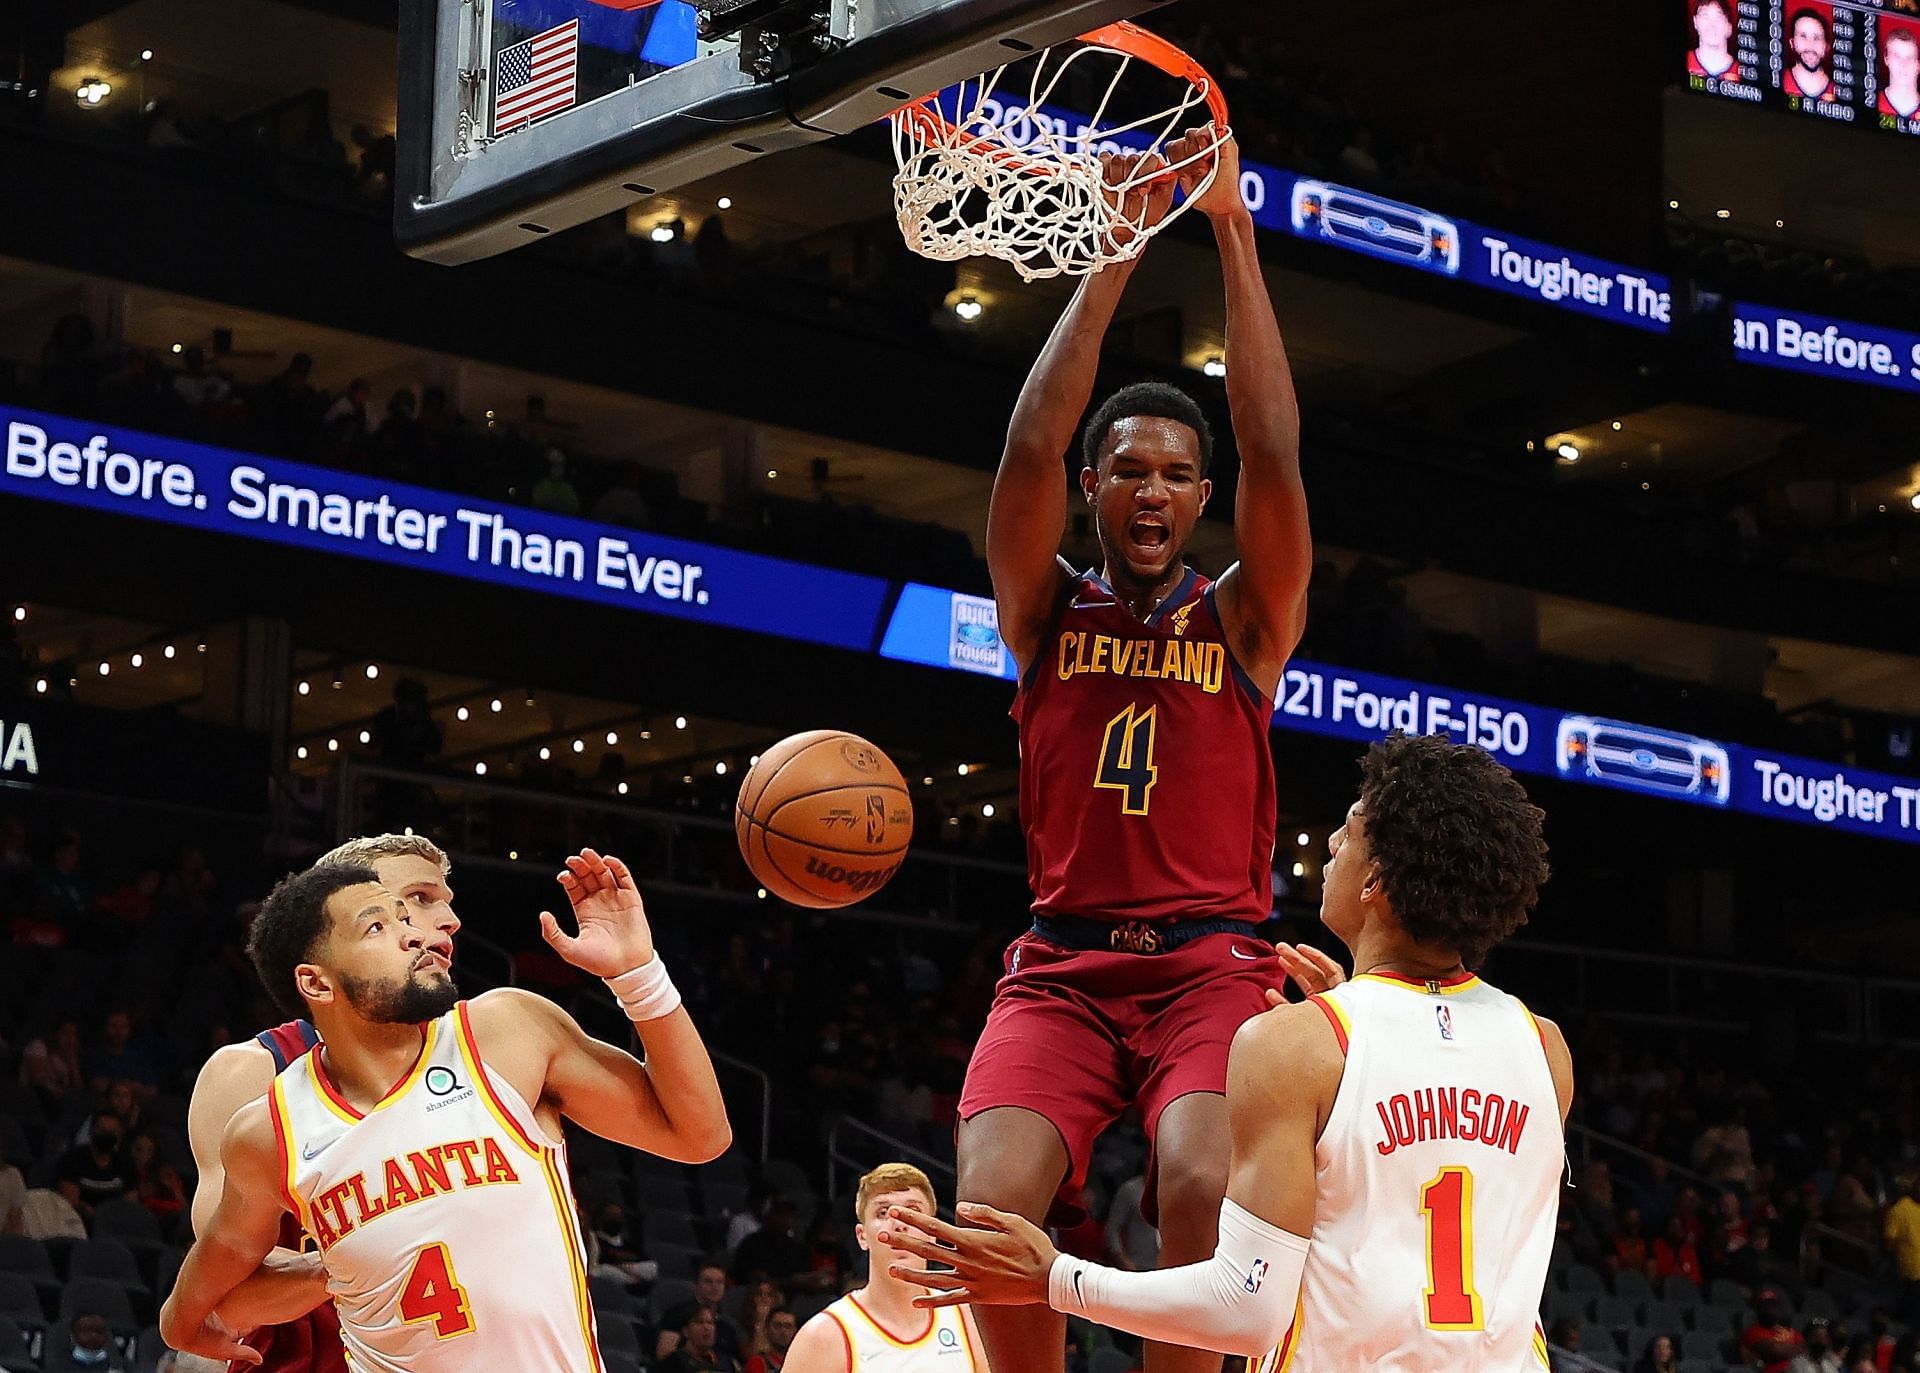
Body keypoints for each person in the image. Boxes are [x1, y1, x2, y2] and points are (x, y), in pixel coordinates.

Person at [957, 127, 1312, 1373]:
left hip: (1213, 965)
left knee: (1202, 1179)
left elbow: (1276, 449)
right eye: (1128, 470)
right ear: (1096, 486)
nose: (1152, 490)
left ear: (1200, 497)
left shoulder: (1243, 618)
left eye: (1176, 473)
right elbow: (1022, 451)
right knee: (987, 1210)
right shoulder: (1046, 612)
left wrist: (1230, 230)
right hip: (1061, 966)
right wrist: (1113, 247)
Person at [887, 735, 1572, 1373]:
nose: (1332, 842)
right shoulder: (1545, 1047)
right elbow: (1426, 1152)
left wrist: (1053, 1277)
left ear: (1375, 883)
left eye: (1351, 831)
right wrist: (1360, 1015)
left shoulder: (1297, 1044)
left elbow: (1246, 1307)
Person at [161, 848, 732, 1369]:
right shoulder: (266, 1113)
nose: (426, 930)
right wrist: (186, 1319)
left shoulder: (503, 1033)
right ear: (318, 974)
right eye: (395, 914)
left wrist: (639, 975)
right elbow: (221, 1269)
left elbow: (701, 1136)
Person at [181, 833, 466, 1373]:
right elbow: (231, 1284)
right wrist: (370, 1254)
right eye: (420, 900)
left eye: (447, 903)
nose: (448, 920)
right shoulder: (253, 1072)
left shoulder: (488, 1054)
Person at [783, 1164, 989, 1373]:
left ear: (932, 1232)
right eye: (883, 1212)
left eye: (913, 1211)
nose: (899, 1223)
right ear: (862, 1236)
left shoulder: (968, 1321)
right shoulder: (825, 1336)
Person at [662, 1304, 742, 1373]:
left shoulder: (726, 1362)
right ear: (685, 1331)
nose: (706, 1327)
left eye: (710, 1323)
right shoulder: (672, 1364)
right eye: (699, 1322)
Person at [1884, 1174, 1920, 1323]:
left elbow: (1889, 1243)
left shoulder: (1901, 1209)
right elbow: (1890, 1242)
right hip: (1912, 1273)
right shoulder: (1905, 1208)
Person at [1742, 1292, 1806, 1373]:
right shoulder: (1752, 1331)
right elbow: (1775, 1351)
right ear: (1758, 1309)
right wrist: (1794, 1347)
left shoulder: (1787, 1330)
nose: (1770, 1309)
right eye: (1765, 1306)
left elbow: (1806, 1348)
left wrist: (1784, 1348)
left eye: (1773, 1305)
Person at [1784, 8, 1836, 102]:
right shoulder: (1781, 81)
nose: (1810, 45)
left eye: (1817, 38)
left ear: (1826, 47)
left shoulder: (1837, 90)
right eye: (1803, 36)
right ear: (1792, 43)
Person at [1688, 0, 1737, 78]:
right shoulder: (1685, 61)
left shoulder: (1742, 70)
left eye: (1719, 17)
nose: (1711, 25)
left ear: (1729, 27)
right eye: (1705, 15)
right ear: (1695, 22)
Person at [1880, 28, 1920, 119]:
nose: (1903, 64)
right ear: (1886, 59)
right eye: (1897, 57)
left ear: (1918, 65)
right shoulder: (1873, 102)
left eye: (1909, 58)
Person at [744, 1308, 798, 1373]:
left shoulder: (803, 1362)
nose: (783, 1331)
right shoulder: (757, 1362)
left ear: (795, 1331)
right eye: (777, 1326)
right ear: (767, 1329)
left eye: (788, 1326)